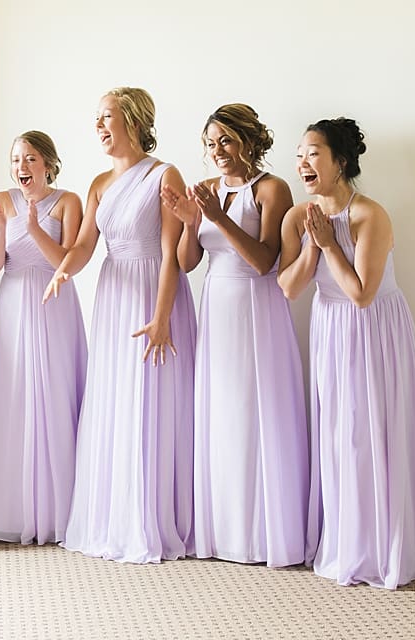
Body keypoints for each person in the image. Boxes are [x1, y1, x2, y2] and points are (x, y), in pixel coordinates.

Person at [278, 117, 415, 589]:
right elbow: (289, 289)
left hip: (375, 331)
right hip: (329, 329)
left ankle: (386, 549)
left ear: (341, 161)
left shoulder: (371, 214)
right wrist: (313, 249)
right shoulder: (298, 217)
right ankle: (346, 544)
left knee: (374, 433)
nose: (303, 163)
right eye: (300, 154)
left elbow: (362, 293)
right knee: (340, 435)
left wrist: (330, 244)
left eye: (313, 153)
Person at [44, 87, 196, 564]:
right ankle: (115, 515)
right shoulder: (98, 184)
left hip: (155, 290)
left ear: (131, 119)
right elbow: (87, 244)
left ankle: (152, 516)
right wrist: (63, 269)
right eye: (96, 119)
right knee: (116, 399)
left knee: (152, 400)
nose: (98, 126)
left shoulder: (163, 174)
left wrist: (161, 316)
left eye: (106, 117)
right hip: (114, 295)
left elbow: (173, 253)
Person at [161, 103, 308, 567]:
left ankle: (265, 535)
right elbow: (187, 263)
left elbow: (267, 262)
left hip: (257, 308)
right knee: (223, 413)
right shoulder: (203, 190)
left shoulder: (271, 188)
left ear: (247, 140)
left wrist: (219, 219)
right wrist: (189, 222)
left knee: (256, 411)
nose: (217, 151)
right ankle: (224, 531)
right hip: (217, 308)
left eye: (225, 140)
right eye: (210, 144)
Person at [0, 130, 87, 545]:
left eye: (28, 159)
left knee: (54, 396)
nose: (21, 167)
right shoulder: (2, 201)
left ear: (47, 163)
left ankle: (59, 510)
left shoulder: (69, 202)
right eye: (15, 160)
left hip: (53, 299)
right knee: (12, 397)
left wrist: (32, 227)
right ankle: (13, 509)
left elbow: (67, 262)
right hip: (11, 302)